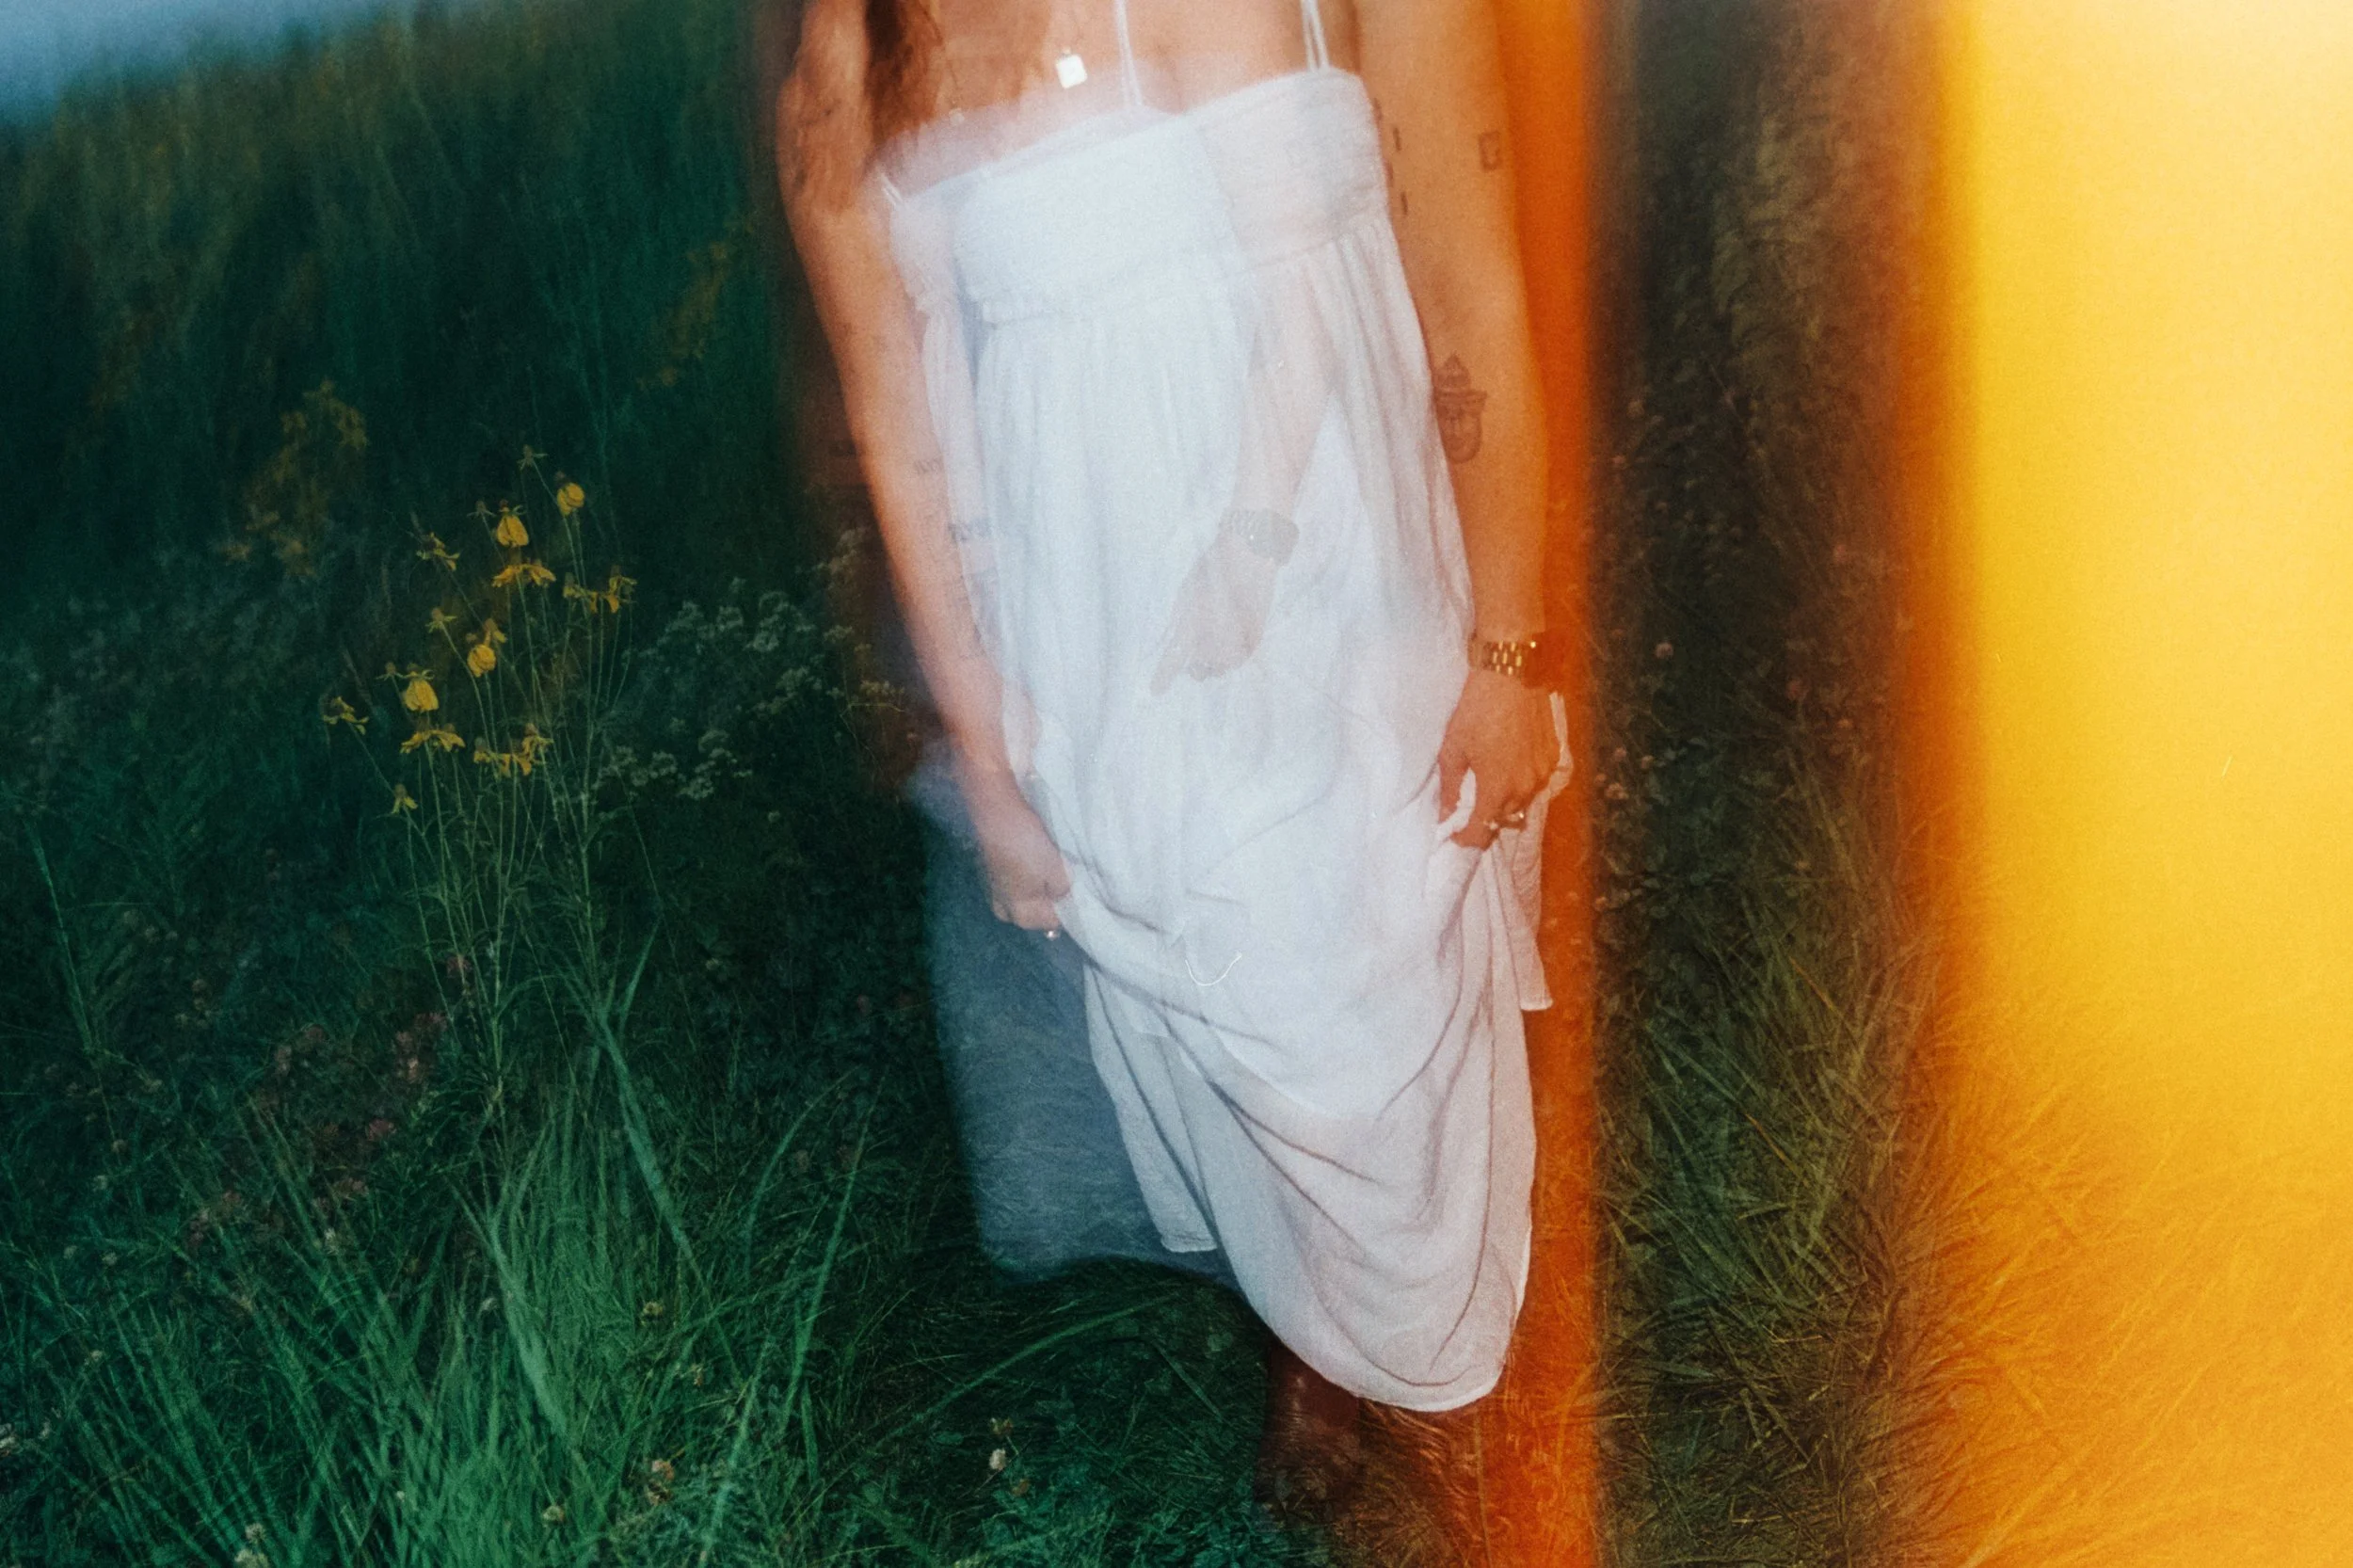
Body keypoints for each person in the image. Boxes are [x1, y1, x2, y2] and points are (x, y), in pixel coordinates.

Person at [776, 0, 1569, 1515]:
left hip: (1317, 551)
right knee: (1216, 990)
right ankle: (1321, 1327)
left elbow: (1425, 279)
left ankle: (1443, 1336)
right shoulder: (852, 55)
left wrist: (1491, 642)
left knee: (1368, 975)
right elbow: (899, 407)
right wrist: (988, 751)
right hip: (1087, 614)